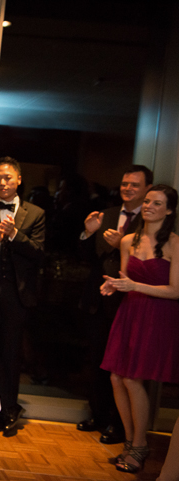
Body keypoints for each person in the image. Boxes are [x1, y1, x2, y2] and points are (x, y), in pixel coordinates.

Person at [99, 184, 179, 474]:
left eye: (157, 203)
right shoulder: (128, 241)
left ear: (169, 210)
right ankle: (131, 441)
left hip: (157, 315)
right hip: (130, 312)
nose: (149, 206)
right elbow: (125, 278)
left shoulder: (174, 243)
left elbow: (175, 290)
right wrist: (114, 284)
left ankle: (140, 443)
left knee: (132, 380)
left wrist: (134, 286)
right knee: (116, 379)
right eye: (147, 201)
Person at [77, 165, 153, 444]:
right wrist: (87, 233)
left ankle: (118, 425)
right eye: (124, 184)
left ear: (146, 189)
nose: (128, 189)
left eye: (135, 185)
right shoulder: (107, 215)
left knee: (121, 368)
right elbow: (87, 257)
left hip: (130, 302)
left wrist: (124, 244)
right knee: (96, 361)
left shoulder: (148, 222)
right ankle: (97, 415)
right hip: (98, 298)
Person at [0, 156, 45, 434]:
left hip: (17, 294)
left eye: (8, 178)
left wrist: (15, 236)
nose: (3, 183)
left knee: (11, 352)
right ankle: (3, 403)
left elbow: (38, 253)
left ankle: (5, 410)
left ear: (19, 180)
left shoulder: (36, 214)